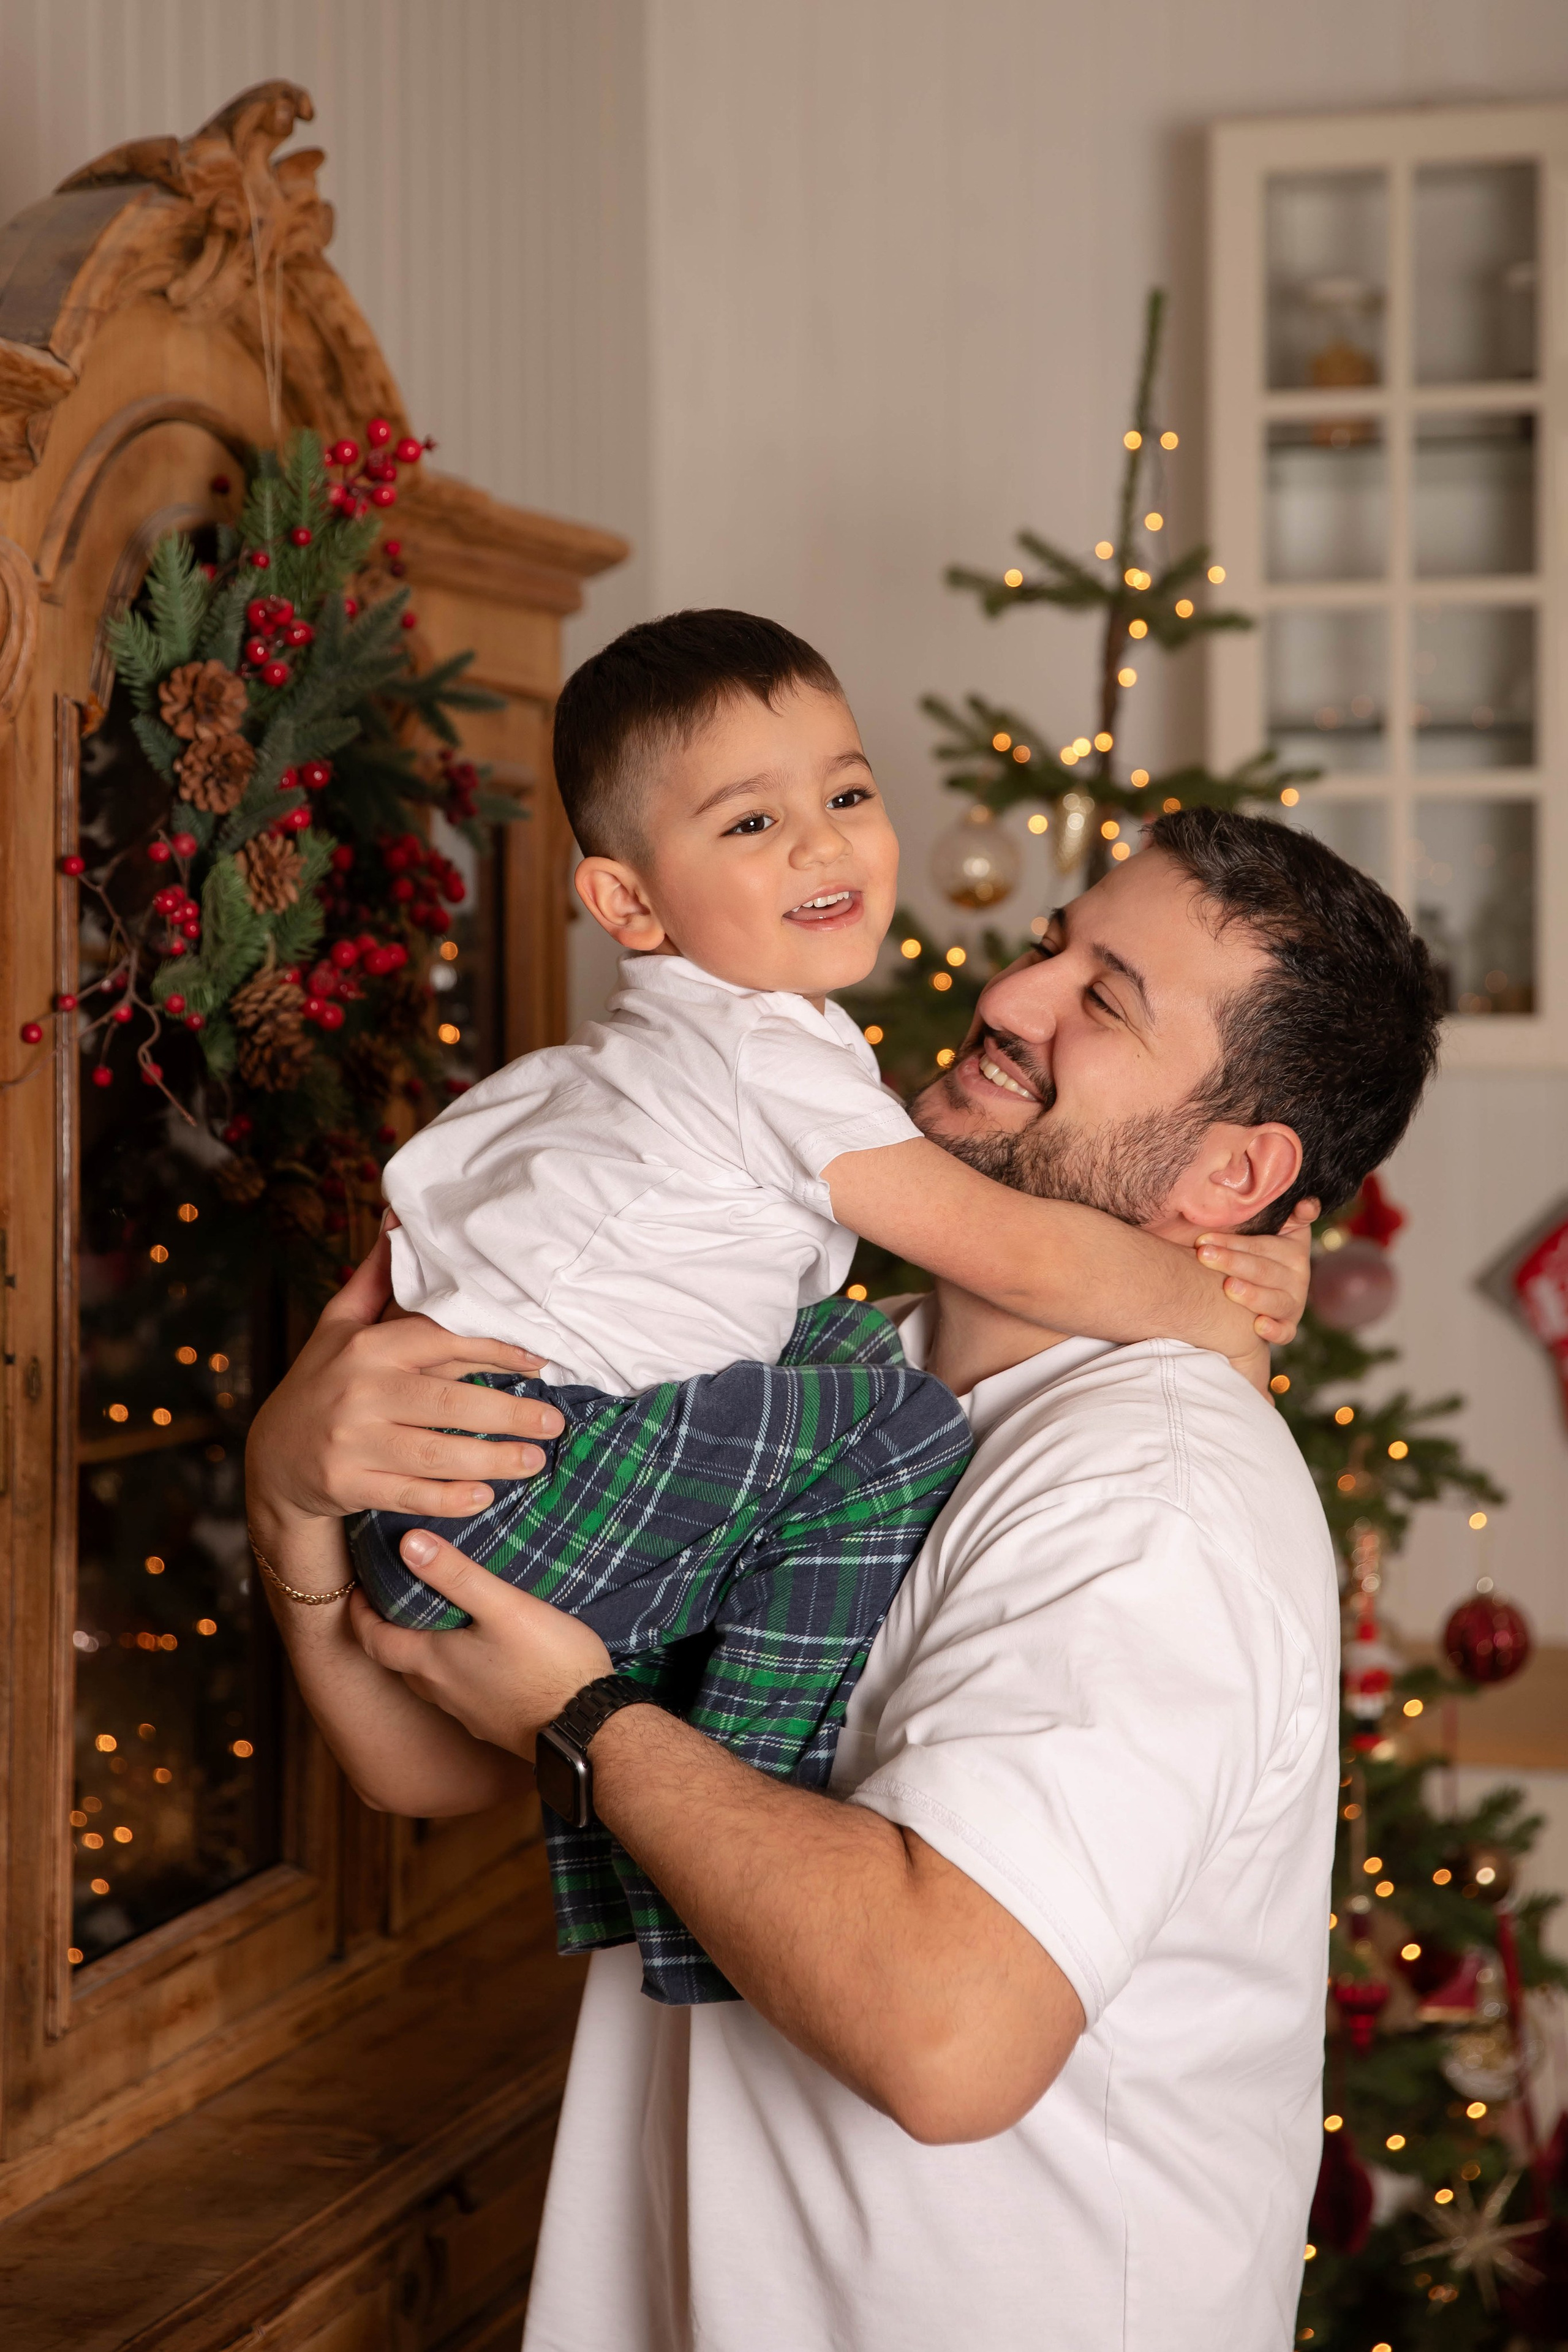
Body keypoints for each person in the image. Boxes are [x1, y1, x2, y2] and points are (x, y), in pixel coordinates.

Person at [246, 807, 1442, 2350]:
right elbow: (435, 1748)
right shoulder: (826, 1389)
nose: (1007, 998)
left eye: (1102, 998)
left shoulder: (1148, 1494)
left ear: (1234, 1171)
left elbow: (948, 2040)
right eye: (1043, 947)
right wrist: (288, 1503)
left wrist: (593, 1720)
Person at [345, 610, 1306, 2002]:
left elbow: (419, 1754)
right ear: (628, 904)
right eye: (749, 824)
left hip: (462, 1499)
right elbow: (1003, 1244)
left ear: (1238, 1172)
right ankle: (763, 1777)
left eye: (845, 795)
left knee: (844, 1380)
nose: (820, 844)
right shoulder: (766, 1056)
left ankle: (719, 1793)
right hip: (510, 1469)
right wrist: (1213, 1308)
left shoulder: (660, 1051)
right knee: (891, 1426)